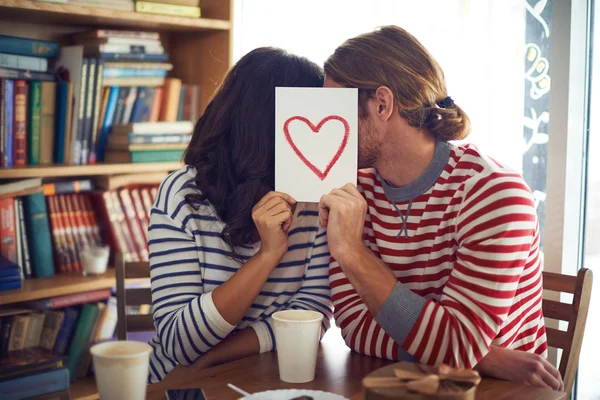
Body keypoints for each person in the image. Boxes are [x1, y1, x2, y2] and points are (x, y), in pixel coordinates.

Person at [319, 26, 564, 391]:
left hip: (497, 392)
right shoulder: (353, 190)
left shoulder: (495, 193)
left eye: (335, 109)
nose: (329, 126)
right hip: (408, 386)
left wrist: (353, 254)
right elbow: (356, 327)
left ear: (382, 105)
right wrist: (480, 354)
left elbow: (457, 347)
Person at [147, 47, 332, 384]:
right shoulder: (182, 195)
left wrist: (219, 354)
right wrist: (266, 257)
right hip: (182, 385)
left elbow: (313, 314)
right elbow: (178, 343)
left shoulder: (313, 199)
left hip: (265, 377)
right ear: (270, 126)